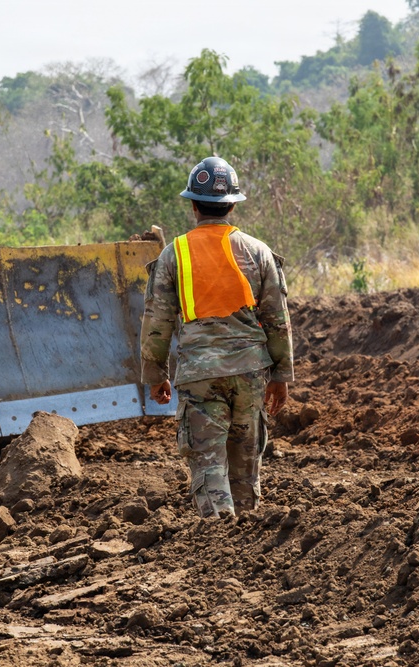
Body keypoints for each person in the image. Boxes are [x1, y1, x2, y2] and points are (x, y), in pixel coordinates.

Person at [140, 156, 294, 519]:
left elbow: (157, 322)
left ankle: (219, 537)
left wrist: (155, 375)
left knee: (209, 465)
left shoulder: (172, 255)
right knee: (244, 466)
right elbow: (277, 321)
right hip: (251, 373)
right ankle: (245, 542)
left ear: (193, 206)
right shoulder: (258, 252)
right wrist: (281, 376)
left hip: (200, 377)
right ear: (232, 205)